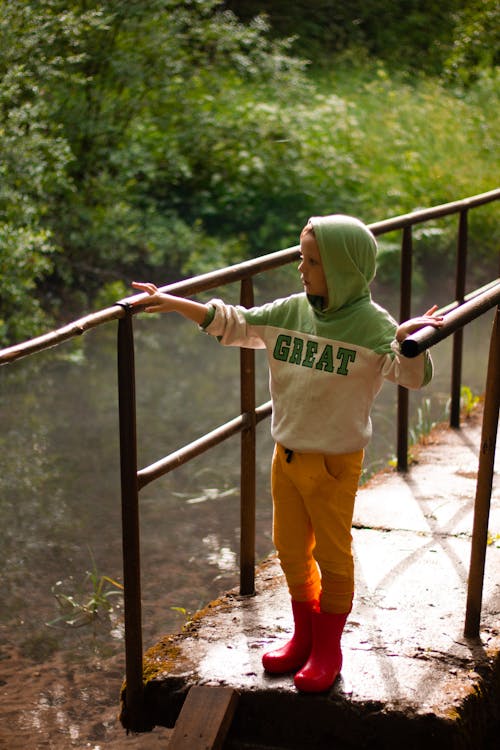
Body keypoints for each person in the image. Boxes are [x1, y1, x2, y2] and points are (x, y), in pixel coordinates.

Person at [129, 214, 443, 693]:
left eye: (313, 261)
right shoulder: (294, 311)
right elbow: (236, 322)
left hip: (335, 464)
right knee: (290, 550)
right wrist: (174, 304)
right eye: (301, 256)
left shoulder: (372, 325)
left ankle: (329, 649)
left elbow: (412, 377)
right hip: (287, 455)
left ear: (343, 269)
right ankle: (303, 636)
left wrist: (408, 342)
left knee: (334, 557)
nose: (302, 267)